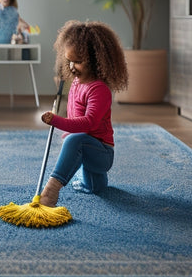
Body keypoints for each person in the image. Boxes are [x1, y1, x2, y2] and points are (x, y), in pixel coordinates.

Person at [39, 20, 129, 207]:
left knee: (75, 140)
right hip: (87, 150)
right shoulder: (77, 83)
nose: (72, 66)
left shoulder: (99, 90)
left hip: (101, 153)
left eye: (78, 62)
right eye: (69, 60)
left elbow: (88, 124)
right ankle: (90, 177)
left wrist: (57, 121)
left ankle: (51, 191)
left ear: (96, 61)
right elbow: (74, 115)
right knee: (94, 187)